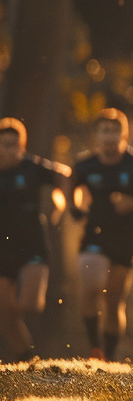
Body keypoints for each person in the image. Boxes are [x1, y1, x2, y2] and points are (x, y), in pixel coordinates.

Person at [70, 109, 133, 361]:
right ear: (96, 135)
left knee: (114, 301)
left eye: (114, 131)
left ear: (124, 134)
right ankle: (95, 349)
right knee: (92, 284)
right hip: (94, 236)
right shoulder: (85, 165)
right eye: (104, 130)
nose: (109, 136)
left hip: (125, 239)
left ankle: (110, 357)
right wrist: (74, 207)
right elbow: (69, 187)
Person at [0, 118, 70, 362]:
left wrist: (61, 203)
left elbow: (65, 176)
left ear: (23, 146)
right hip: (3, 250)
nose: (9, 150)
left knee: (29, 305)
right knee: (6, 317)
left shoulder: (32, 168)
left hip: (32, 245)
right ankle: (27, 361)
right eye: (4, 144)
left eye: (14, 145)